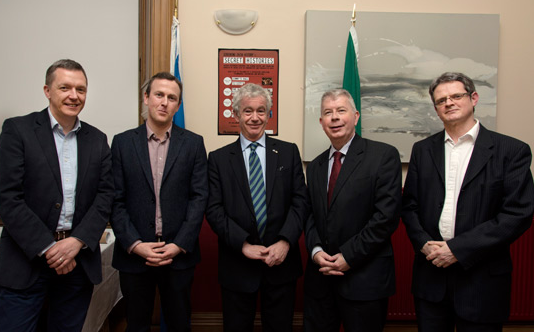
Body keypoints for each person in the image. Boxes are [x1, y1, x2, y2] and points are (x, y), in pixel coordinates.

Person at [401, 72, 534, 332]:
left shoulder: (511, 151)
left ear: (474, 98)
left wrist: (458, 249)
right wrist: (424, 244)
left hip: (482, 280)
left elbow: (517, 214)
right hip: (431, 275)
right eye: (441, 100)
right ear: (436, 109)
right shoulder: (422, 150)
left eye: (456, 96)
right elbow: (410, 206)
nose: (448, 103)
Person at [0, 59, 115, 331]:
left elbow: (105, 196)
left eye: (81, 89)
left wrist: (77, 242)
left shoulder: (97, 139)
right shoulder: (18, 131)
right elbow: (7, 198)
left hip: (77, 264)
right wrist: (50, 249)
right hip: (25, 263)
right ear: (47, 90)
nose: (74, 95)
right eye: (65, 87)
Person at [109, 72, 208, 331]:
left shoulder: (194, 144)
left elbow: (199, 198)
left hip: (178, 256)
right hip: (134, 256)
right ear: (146, 98)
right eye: (159, 95)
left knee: (178, 324)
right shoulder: (122, 143)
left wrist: (179, 245)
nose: (165, 102)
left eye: (172, 97)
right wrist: (134, 244)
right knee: (137, 325)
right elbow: (115, 200)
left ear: (178, 105)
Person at [206, 83, 308, 331]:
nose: (255, 118)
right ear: (236, 114)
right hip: (237, 264)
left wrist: (285, 242)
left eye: (261, 111)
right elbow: (214, 209)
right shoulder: (218, 159)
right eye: (248, 111)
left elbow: (300, 202)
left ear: (269, 114)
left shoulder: (288, 152)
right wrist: (244, 245)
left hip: (281, 263)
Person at [303, 89, 402, 332]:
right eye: (328, 112)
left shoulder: (383, 156)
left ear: (355, 116)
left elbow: (385, 218)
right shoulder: (315, 166)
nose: (334, 117)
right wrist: (315, 251)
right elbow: (309, 215)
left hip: (364, 279)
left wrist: (348, 257)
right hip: (321, 278)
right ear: (321, 122)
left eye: (341, 111)